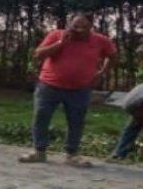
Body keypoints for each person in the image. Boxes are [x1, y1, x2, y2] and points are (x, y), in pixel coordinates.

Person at [19, 13, 116, 167]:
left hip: (80, 89)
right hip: (49, 86)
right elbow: (38, 54)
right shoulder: (56, 35)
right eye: (75, 26)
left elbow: (112, 55)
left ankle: (72, 154)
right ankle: (39, 151)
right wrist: (60, 43)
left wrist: (102, 72)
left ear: (91, 27)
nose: (79, 30)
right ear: (69, 24)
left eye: (84, 27)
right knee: (41, 116)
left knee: (76, 121)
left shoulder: (100, 41)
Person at [108, 84, 143, 160]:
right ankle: (119, 153)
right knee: (132, 128)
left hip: (130, 103)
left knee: (132, 128)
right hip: (135, 104)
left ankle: (118, 153)